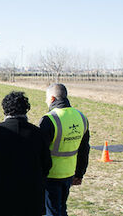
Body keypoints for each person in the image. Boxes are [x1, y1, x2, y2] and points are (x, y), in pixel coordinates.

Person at [0, 91, 52, 216]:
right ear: (26, 109)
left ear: (4, 110)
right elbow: (47, 163)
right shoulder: (37, 133)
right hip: (30, 196)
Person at [39, 83, 90, 216]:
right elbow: (84, 150)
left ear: (52, 99)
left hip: (51, 175)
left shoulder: (49, 119)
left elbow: (40, 151)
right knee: (62, 209)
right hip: (69, 174)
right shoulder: (81, 117)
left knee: (52, 211)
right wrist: (80, 173)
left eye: (46, 98)